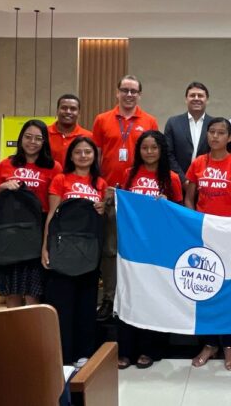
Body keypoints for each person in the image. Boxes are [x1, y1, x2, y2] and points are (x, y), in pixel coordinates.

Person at [106, 130, 182, 370]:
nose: (149, 152)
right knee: (130, 295)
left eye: (154, 148)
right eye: (145, 148)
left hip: (159, 248)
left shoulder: (172, 178)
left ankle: (151, 349)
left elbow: (179, 214)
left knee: (155, 296)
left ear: (161, 151)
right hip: (132, 248)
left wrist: (166, 204)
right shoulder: (129, 174)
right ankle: (126, 350)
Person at [185, 117, 231, 371]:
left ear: (230, 137)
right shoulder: (197, 163)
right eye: (211, 132)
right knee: (205, 289)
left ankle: (229, 345)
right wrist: (196, 222)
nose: (215, 136)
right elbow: (189, 199)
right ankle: (209, 343)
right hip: (203, 236)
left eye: (220, 132)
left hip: (230, 238)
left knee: (229, 291)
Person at [91, 75, 158, 320]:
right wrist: (99, 189)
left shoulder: (149, 120)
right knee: (110, 250)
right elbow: (95, 157)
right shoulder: (102, 120)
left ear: (139, 95)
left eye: (134, 91)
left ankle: (138, 297)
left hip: (138, 196)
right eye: (125, 90)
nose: (129, 95)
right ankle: (109, 298)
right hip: (110, 193)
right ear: (117, 92)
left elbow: (154, 156)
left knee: (139, 248)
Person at [43, 136, 107, 364]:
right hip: (62, 248)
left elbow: (103, 217)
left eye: (87, 152)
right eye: (78, 152)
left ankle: (85, 353)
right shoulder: (61, 179)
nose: (83, 156)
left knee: (87, 304)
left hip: (89, 249)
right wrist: (45, 246)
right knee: (62, 304)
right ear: (71, 156)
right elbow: (52, 215)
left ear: (94, 156)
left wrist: (103, 208)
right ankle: (63, 354)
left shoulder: (100, 183)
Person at [0, 119, 62, 307]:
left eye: (38, 138)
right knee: (12, 291)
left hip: (39, 230)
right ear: (21, 138)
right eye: (28, 137)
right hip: (11, 230)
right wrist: (3, 187)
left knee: (33, 291)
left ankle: (34, 335)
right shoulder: (6, 164)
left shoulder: (54, 167)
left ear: (44, 141)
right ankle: (14, 334)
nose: (32, 142)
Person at [163, 82, 213, 184]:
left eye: (200, 96)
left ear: (207, 100)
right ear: (186, 99)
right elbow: (168, 154)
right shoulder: (173, 123)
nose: (196, 98)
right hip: (178, 183)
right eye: (192, 95)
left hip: (207, 183)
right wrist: (184, 180)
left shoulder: (214, 125)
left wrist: (203, 180)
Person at [47, 94, 93, 165]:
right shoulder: (44, 133)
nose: (68, 112)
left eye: (73, 109)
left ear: (79, 113)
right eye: (64, 108)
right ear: (57, 111)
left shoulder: (88, 136)